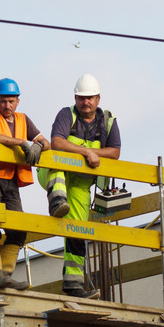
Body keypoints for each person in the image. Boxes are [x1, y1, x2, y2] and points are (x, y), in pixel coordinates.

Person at [37, 73, 120, 298]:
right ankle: (57, 202)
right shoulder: (66, 115)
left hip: (81, 188)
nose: (86, 102)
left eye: (90, 98)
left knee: (77, 233)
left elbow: (115, 152)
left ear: (98, 99)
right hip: (56, 175)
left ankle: (73, 285)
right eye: (82, 98)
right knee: (58, 160)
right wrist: (87, 152)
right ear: (75, 98)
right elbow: (57, 142)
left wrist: (93, 153)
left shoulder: (108, 121)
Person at [0, 78, 50, 290]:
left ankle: (6, 276)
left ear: (18, 101)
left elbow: (46, 141)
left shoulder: (23, 119)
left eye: (10, 101)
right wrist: (22, 143)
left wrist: (38, 146)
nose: (6, 106)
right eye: (2, 101)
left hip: (11, 180)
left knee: (18, 229)